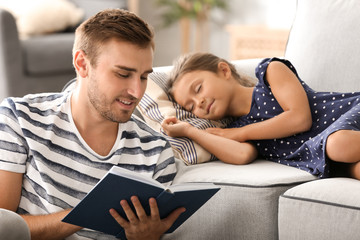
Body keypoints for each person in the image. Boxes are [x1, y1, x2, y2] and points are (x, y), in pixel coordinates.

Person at [0, 9, 185, 240]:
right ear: (82, 64)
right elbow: (4, 226)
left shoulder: (156, 151)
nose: (137, 91)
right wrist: (88, 213)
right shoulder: (19, 118)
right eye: (123, 74)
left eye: (144, 76)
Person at [161, 52, 360, 180]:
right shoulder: (234, 130)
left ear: (223, 70)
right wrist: (190, 131)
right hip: (330, 158)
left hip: (349, 116)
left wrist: (240, 134)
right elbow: (242, 155)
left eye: (198, 88)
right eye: (191, 106)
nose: (200, 103)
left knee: (337, 145)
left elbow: (300, 118)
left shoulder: (270, 73)